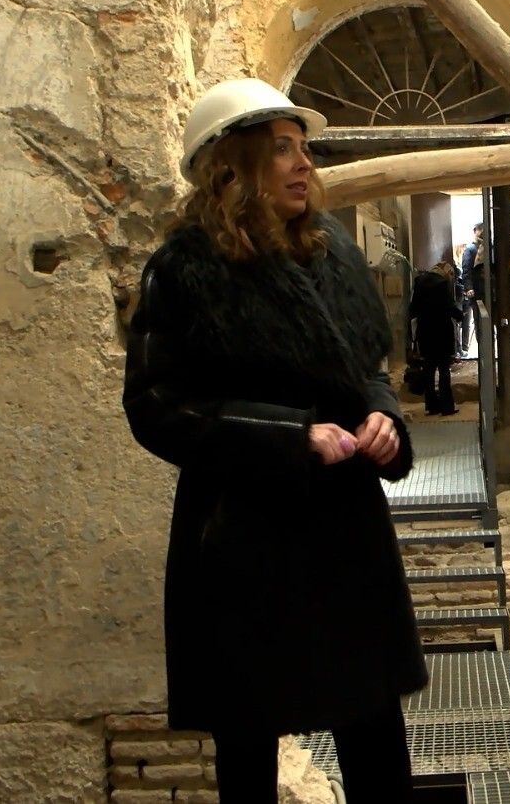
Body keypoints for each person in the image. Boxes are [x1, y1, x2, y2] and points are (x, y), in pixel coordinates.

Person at [122, 78, 425, 804]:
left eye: (304, 149)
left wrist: (384, 417)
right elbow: (156, 406)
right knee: (249, 748)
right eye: (281, 149)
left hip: (345, 531)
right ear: (232, 166)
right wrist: (289, 437)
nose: (303, 165)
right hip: (243, 540)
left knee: (375, 739)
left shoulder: (335, 256)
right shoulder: (185, 271)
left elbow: (366, 370)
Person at [410, 259, 461, 415]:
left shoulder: (419, 281)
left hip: (425, 332)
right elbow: (449, 307)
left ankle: (431, 405)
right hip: (442, 332)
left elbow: (413, 308)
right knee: (444, 370)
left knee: (429, 369)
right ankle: (446, 406)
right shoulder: (442, 284)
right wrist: (460, 315)